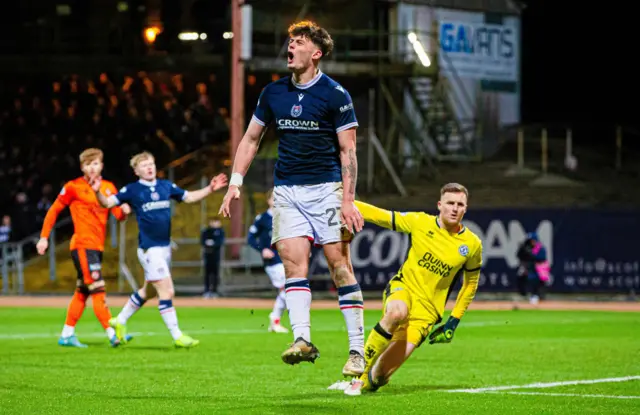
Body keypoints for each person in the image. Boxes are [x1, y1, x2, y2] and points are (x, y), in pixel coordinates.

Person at [219, 20, 366, 376]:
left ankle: (357, 351)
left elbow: (348, 151)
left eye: (298, 42)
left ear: (315, 53)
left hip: (327, 189)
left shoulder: (335, 94)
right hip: (286, 192)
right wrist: (235, 181)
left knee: (339, 266)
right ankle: (302, 339)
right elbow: (251, 139)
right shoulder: (273, 93)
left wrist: (348, 200)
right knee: (293, 267)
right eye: (290, 42)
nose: (290, 47)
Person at [338, 183, 484, 396]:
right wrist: (347, 204)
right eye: (450, 203)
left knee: (379, 377)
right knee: (397, 312)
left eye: (460, 204)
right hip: (403, 289)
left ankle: (367, 380)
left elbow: (470, 283)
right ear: (439, 205)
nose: (454, 208)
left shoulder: (472, 244)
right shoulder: (420, 222)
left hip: (426, 315)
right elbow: (383, 216)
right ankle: (358, 372)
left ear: (466, 208)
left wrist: (453, 320)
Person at [93, 151, 228, 348]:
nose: (149, 167)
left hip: (164, 249)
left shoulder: (165, 186)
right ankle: (177, 336)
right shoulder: (132, 190)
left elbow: (188, 197)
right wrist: (97, 192)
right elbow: (107, 203)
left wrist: (209, 189)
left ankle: (119, 321)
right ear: (136, 171)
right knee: (167, 291)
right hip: (150, 250)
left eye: (151, 164)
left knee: (147, 291)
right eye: (144, 165)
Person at [36, 148, 131, 348]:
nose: (92, 167)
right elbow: (54, 211)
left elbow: (118, 215)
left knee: (83, 291)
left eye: (95, 163)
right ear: (82, 167)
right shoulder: (73, 187)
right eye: (88, 164)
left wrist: (124, 211)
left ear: (101, 165)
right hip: (82, 245)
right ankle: (113, 335)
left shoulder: (108, 187)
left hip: (97, 246)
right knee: (98, 289)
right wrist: (44, 237)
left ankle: (67, 334)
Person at [247, 189, 289, 334]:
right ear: (269, 200)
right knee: (286, 289)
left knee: (286, 290)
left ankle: (275, 320)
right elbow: (251, 238)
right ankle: (278, 319)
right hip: (273, 261)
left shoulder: (285, 217)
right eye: (274, 198)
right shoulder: (263, 218)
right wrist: (262, 249)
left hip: (286, 258)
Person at [516, 232, 550, 304]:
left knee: (535, 279)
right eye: (530, 241)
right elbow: (520, 257)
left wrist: (531, 254)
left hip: (540, 270)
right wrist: (522, 250)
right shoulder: (527, 247)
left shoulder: (540, 248)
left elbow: (541, 259)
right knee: (521, 275)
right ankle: (524, 294)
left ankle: (536, 295)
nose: (531, 242)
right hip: (529, 268)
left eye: (532, 240)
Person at [201, 217, 225, 298]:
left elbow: (220, 241)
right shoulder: (206, 231)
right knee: (207, 274)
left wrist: (213, 243)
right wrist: (207, 243)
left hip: (216, 256)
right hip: (208, 255)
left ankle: (215, 291)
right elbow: (202, 240)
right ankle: (207, 291)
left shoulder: (220, 231)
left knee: (215, 274)